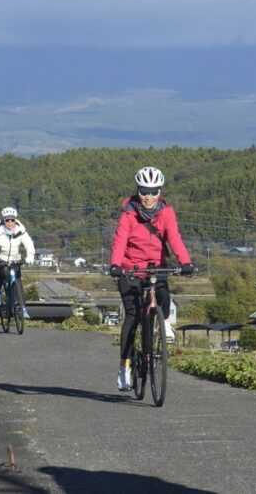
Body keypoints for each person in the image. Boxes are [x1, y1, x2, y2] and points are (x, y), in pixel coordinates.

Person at [109, 166, 195, 392]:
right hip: (130, 269)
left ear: (160, 191)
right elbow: (120, 241)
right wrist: (116, 265)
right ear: (138, 191)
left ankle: (160, 325)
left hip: (157, 268)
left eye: (153, 191)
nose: (148, 197)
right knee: (132, 315)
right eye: (144, 191)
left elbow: (174, 238)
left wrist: (185, 262)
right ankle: (124, 366)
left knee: (164, 301)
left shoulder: (167, 213)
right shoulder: (128, 214)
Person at [0, 207, 35, 316]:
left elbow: (29, 244)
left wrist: (30, 256)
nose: (10, 223)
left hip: (15, 259)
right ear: (3, 221)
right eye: (7, 220)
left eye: (12, 220)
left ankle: (23, 309)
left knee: (18, 282)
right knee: (2, 273)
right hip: (1, 259)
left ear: (15, 220)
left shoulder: (20, 231)